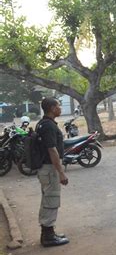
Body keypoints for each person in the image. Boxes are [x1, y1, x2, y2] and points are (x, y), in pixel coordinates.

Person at [36, 97, 69, 247]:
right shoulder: (48, 126)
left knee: (47, 199)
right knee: (51, 200)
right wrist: (61, 172)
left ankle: (48, 232)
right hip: (50, 169)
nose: (60, 108)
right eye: (58, 105)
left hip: (46, 169)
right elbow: (52, 150)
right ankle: (48, 237)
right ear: (51, 108)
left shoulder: (42, 124)